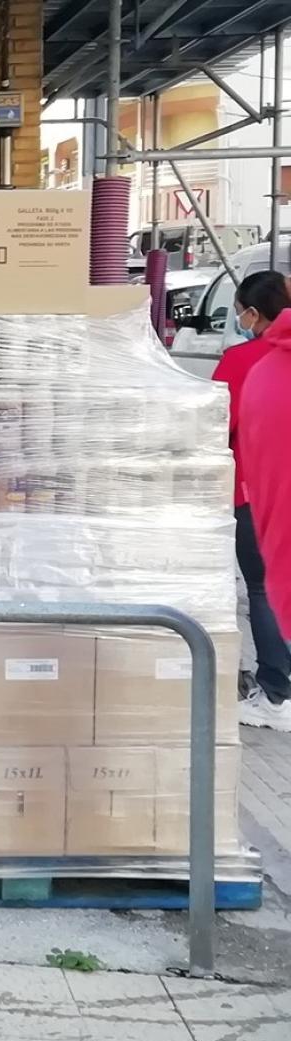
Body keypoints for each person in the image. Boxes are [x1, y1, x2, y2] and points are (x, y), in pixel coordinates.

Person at [215, 271, 291, 729]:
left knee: (263, 589)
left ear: (252, 314)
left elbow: (216, 429)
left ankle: (277, 697)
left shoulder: (244, 361)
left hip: (260, 495)